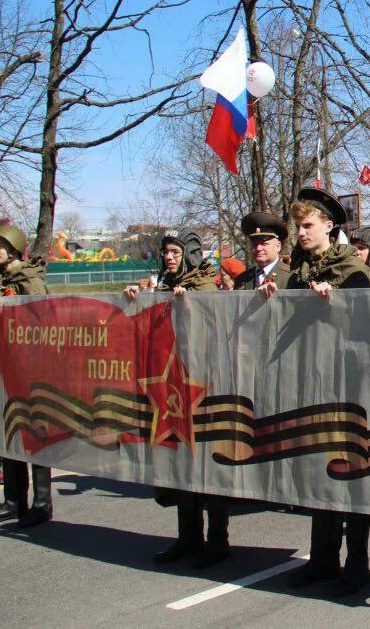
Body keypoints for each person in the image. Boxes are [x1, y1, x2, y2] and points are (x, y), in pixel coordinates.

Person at [267, 189, 370, 598]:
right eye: (298, 226)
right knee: (317, 470)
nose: (301, 232)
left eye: (307, 225)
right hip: (310, 378)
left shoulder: (350, 267)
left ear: (329, 227)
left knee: (349, 472)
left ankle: (357, 563)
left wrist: (337, 305)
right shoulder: (298, 269)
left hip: (346, 381)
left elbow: (369, 321)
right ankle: (322, 558)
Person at [125, 231, 226, 566]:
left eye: (174, 252)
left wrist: (189, 307)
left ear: (189, 254)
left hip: (203, 384)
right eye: (165, 252)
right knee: (180, 467)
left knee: (207, 469)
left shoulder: (204, 286)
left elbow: (215, 329)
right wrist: (138, 299)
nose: (169, 257)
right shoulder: (165, 286)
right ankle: (188, 537)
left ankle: (217, 540)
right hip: (172, 387)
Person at [0, 225, 53, 528]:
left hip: (31, 367)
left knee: (35, 434)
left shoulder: (30, 278)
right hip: (1, 365)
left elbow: (42, 318)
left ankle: (42, 503)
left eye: (0, 245)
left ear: (14, 247)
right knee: (8, 433)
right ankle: (13, 501)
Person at [232, 212, 288, 290]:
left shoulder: (290, 277)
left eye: (264, 244)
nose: (258, 248)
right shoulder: (242, 279)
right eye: (255, 244)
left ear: (278, 246)